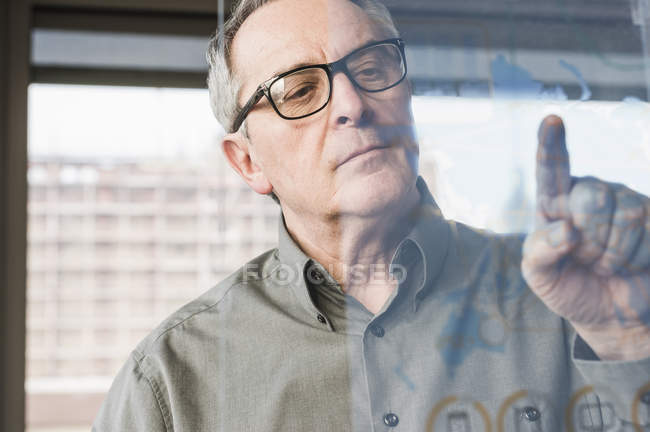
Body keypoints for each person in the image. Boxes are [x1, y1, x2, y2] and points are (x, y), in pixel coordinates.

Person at [93, 0, 650, 430]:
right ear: (247, 162)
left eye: (372, 65)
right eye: (299, 88)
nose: (353, 103)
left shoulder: (571, 299)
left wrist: (631, 344)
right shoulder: (169, 382)